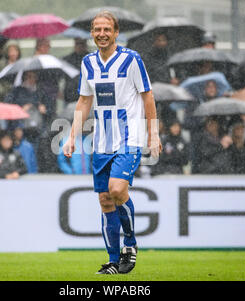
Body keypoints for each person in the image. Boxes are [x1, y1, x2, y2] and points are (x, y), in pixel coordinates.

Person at [62, 11, 161, 274]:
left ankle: (130, 244)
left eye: (107, 29)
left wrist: (154, 133)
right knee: (106, 199)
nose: (102, 34)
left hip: (129, 137)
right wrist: (72, 136)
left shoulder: (131, 59)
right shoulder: (88, 63)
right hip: (101, 140)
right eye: (97, 29)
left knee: (117, 189)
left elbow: (147, 96)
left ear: (116, 33)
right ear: (92, 33)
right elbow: (84, 101)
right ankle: (114, 262)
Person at [63, 38, 90, 104]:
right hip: (70, 96)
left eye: (82, 44)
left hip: (87, 95)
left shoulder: (91, 59)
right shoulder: (67, 60)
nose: (80, 46)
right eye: (78, 44)